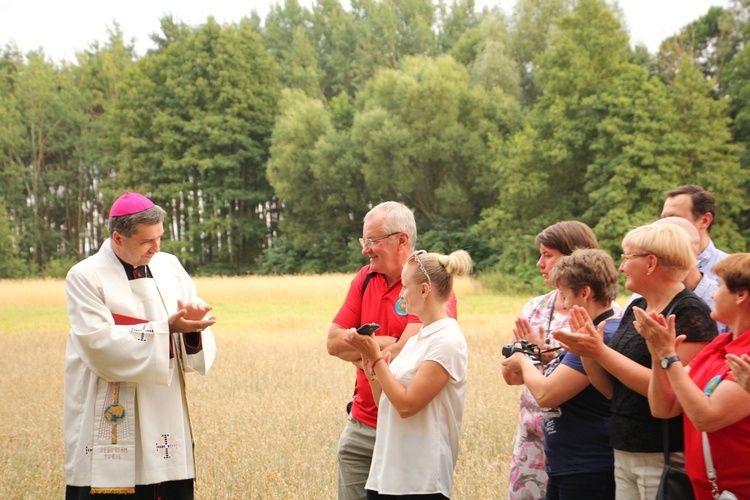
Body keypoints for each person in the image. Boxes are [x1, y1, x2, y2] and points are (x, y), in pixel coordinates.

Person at [64, 192, 217, 499]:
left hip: (164, 399)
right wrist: (165, 330)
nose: (156, 248)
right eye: (147, 241)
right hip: (107, 401)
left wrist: (192, 330)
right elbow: (98, 345)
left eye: (159, 237)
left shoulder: (169, 266)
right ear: (118, 238)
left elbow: (188, 332)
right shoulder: (85, 276)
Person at [553, 222, 718, 500]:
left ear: (651, 263)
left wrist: (600, 352)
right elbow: (612, 390)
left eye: (627, 257)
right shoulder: (637, 306)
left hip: (663, 454)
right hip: (624, 448)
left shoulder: (689, 312)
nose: (621, 267)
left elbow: (671, 392)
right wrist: (588, 350)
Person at [327, 202, 457, 500]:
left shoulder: (430, 285)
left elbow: (404, 354)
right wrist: (381, 348)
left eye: (372, 241)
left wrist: (369, 346)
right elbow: (333, 342)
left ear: (402, 240)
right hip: (360, 425)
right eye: (365, 241)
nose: (365, 250)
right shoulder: (365, 278)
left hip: (404, 433)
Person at [344, 249, 472, 499]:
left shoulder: (447, 341)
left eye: (405, 286)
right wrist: (372, 368)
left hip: (420, 480)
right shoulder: (420, 337)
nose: (401, 295)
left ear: (424, 290)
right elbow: (387, 401)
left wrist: (378, 358)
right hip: (389, 473)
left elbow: (406, 405)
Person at [504, 220, 610, 500]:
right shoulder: (535, 307)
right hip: (532, 441)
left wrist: (530, 358)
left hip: (578, 449)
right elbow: (509, 374)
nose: (540, 263)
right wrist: (540, 358)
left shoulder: (602, 319)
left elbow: (543, 385)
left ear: (574, 257)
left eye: (548, 255)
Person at [634, 253, 750, 499]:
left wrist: (668, 355)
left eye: (718, 286)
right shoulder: (720, 343)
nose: (712, 294)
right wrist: (658, 357)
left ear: (741, 295)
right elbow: (663, 407)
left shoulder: (746, 354)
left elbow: (706, 417)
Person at [661, 184, 729, 283]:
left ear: (705, 221)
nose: (664, 225)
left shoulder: (732, 271)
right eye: (663, 219)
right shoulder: (654, 265)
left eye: (674, 218)